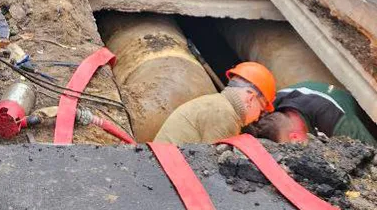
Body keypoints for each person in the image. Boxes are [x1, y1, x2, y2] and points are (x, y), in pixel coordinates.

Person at [153, 62, 276, 145]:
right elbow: (214, 168)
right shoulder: (224, 114)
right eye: (261, 110)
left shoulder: (216, 103)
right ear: (250, 98)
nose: (256, 119)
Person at [247, 81, 376, 146]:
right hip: (311, 95)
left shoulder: (337, 121)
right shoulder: (270, 109)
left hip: (345, 107)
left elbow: (371, 154)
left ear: (294, 137)